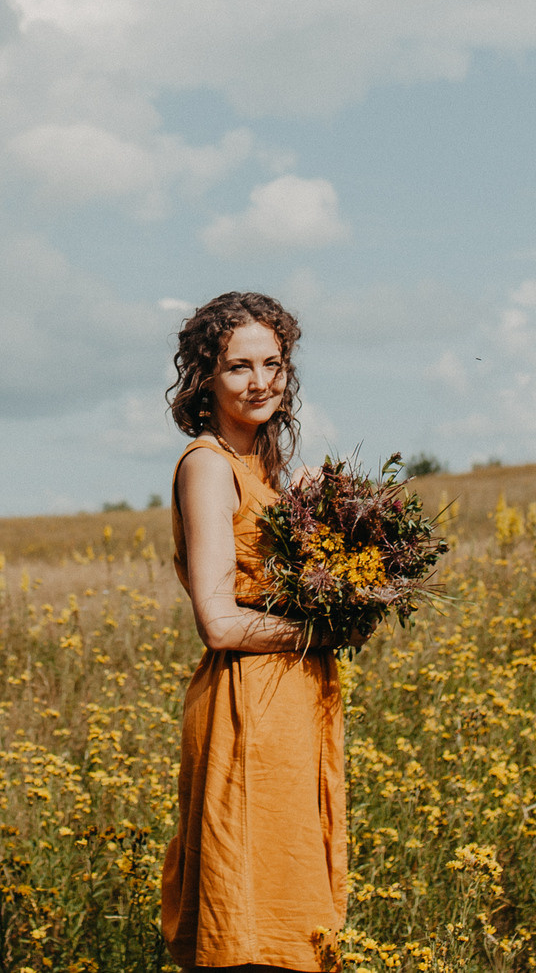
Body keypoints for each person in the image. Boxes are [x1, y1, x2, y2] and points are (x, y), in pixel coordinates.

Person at [158, 291, 346, 971]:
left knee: (289, 914)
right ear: (206, 376)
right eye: (239, 366)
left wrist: (320, 522)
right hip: (245, 712)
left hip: (290, 708)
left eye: (274, 362)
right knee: (248, 924)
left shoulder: (268, 474)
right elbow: (218, 619)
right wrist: (319, 632)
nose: (261, 380)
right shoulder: (209, 466)